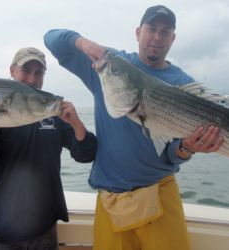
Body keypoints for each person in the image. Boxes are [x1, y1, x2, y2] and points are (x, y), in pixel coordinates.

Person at [44, 5, 224, 250]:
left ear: (173, 38)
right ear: (138, 32)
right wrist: (85, 45)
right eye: (151, 28)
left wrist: (186, 149)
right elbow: (52, 39)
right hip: (111, 199)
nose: (157, 37)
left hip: (160, 193)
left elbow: (172, 152)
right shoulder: (110, 66)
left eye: (165, 31)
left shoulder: (182, 83)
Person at [0, 47, 97, 250]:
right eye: (26, 70)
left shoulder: (53, 114)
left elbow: (85, 155)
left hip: (43, 229)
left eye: (39, 73)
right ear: (12, 70)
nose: (32, 79)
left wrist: (77, 125)